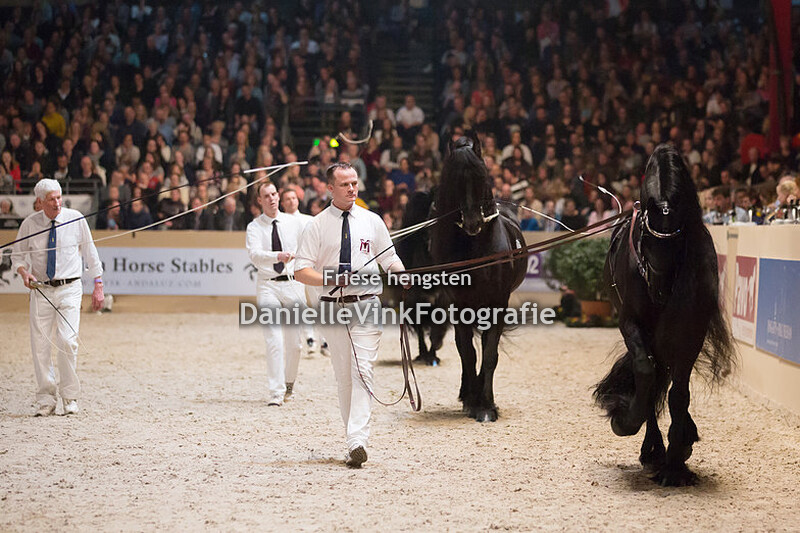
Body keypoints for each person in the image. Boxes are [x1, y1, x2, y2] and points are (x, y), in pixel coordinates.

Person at [294, 162, 408, 468]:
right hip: (331, 308)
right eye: (345, 184)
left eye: (355, 183)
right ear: (330, 188)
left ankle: (358, 439)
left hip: (367, 304)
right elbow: (301, 271)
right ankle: (352, 439)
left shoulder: (372, 221)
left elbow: (389, 257)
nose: (352, 189)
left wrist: (402, 274)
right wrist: (331, 278)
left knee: (363, 371)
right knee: (344, 375)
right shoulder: (316, 225)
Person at [12, 179, 104, 416]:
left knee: (67, 340)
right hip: (40, 289)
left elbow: (91, 253)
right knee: (40, 345)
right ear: (39, 202)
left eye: (59, 197)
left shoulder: (75, 219)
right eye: (51, 199)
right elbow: (18, 256)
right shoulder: (30, 225)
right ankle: (46, 398)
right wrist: (24, 273)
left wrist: (98, 285)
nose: (57, 203)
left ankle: (70, 397)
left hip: (70, 288)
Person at [246, 181, 306, 406]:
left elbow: (307, 247)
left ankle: (289, 383)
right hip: (267, 284)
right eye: (266, 195)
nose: (271, 198)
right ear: (259, 201)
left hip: (292, 284)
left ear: (278, 196)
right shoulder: (254, 227)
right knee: (273, 339)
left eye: (274, 194)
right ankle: (275, 392)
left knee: (295, 343)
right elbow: (254, 254)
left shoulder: (294, 223)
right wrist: (277, 256)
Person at [280, 187, 330, 357]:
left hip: (312, 267)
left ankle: (325, 341)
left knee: (319, 303)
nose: (291, 201)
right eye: (287, 199)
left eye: (294, 198)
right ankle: (310, 338)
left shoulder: (310, 220)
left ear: (298, 200)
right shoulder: (279, 223)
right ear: (282, 203)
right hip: (292, 269)